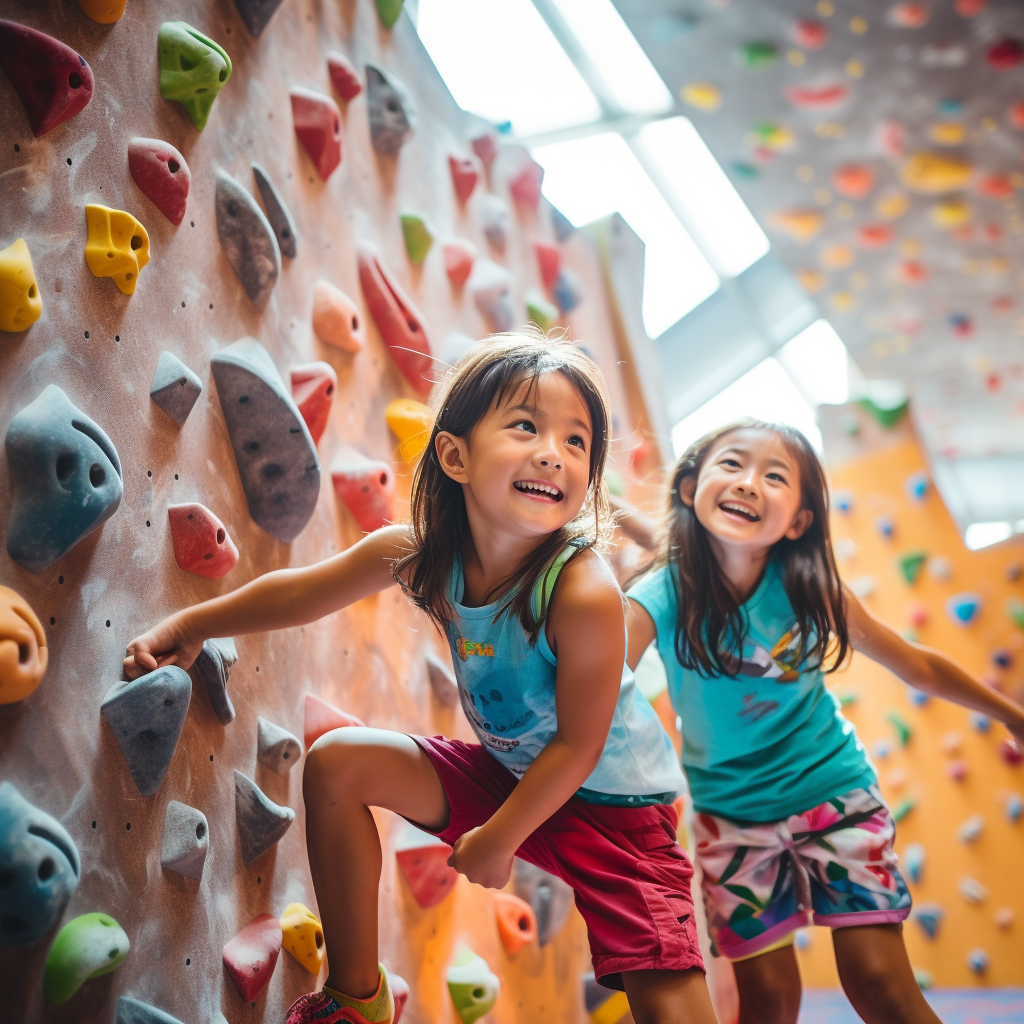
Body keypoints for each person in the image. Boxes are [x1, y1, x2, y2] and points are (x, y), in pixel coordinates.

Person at [124, 334, 717, 1024]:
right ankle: (356, 999)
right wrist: (193, 625)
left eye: (578, 442)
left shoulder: (581, 590)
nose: (555, 451)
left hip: (620, 815)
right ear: (455, 455)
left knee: (670, 1009)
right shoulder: (424, 553)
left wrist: (499, 837)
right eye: (526, 426)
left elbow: (579, 746)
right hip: (516, 776)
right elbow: (302, 592)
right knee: (338, 765)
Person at [624, 420, 1024, 1024]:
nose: (750, 484)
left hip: (833, 795)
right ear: (690, 487)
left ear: (799, 522)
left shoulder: (811, 589)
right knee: (767, 1003)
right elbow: (602, 685)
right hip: (730, 819)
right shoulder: (659, 594)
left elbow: (916, 666)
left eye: (775, 476)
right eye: (731, 464)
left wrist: (1012, 715)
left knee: (880, 985)